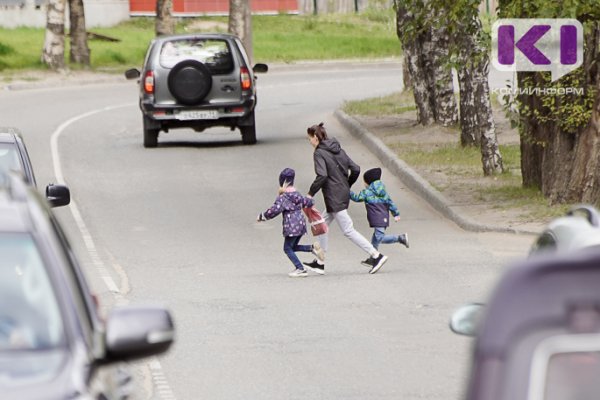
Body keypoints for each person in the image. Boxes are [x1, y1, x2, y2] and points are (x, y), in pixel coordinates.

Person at [304, 122, 388, 275]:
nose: (309, 141)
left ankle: (376, 255)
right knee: (320, 224)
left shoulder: (319, 153)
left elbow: (322, 175)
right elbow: (355, 168)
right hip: (340, 194)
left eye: (310, 138)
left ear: (316, 137)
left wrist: (310, 193)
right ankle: (320, 262)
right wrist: (346, 184)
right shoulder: (338, 149)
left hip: (334, 196)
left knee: (348, 230)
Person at [257, 168, 325, 278]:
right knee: (292, 246)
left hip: (291, 225)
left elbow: (275, 210)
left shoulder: (283, 197)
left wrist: (262, 216)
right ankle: (311, 248)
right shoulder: (296, 194)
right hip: (301, 224)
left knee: (287, 248)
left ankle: (300, 268)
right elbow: (307, 202)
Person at [350, 167, 409, 266]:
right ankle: (373, 258)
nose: (364, 184)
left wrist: (347, 191)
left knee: (380, 238)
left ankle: (400, 238)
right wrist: (396, 214)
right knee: (375, 240)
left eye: (364, 181)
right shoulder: (383, 192)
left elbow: (357, 198)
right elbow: (390, 203)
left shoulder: (367, 192)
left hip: (377, 218)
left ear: (368, 182)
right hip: (383, 217)